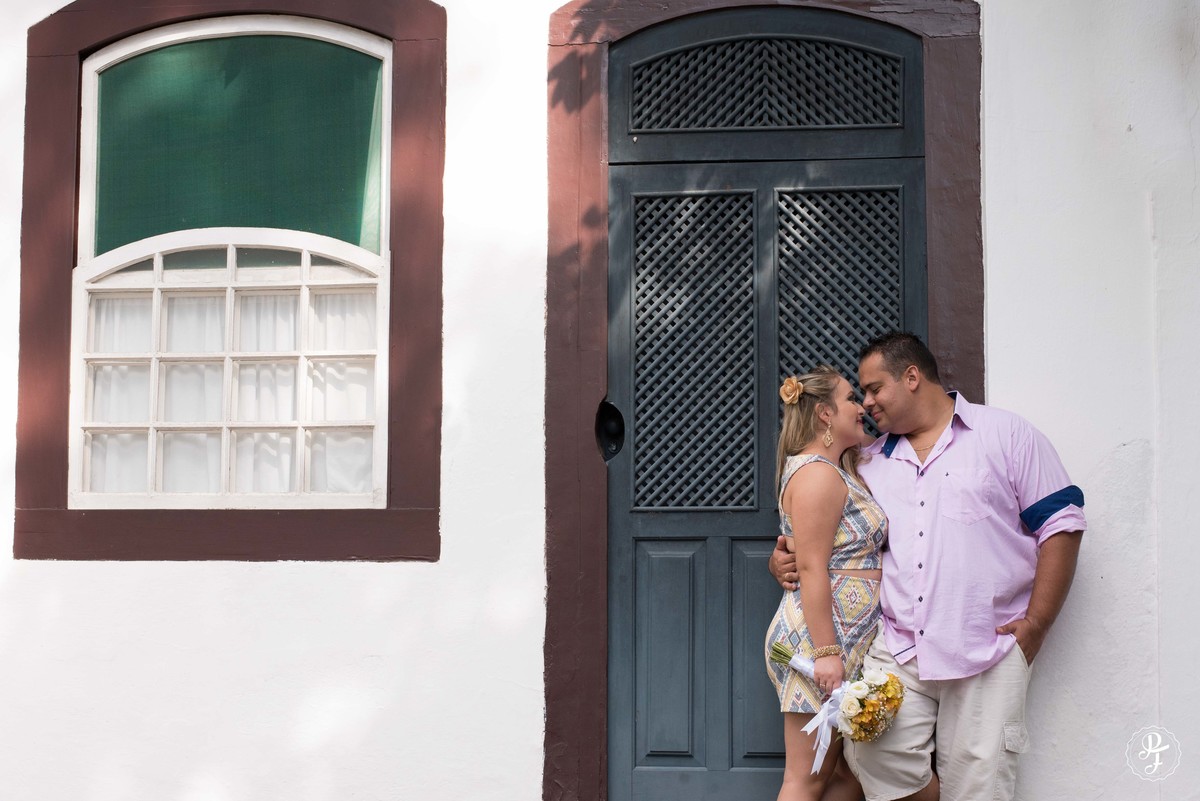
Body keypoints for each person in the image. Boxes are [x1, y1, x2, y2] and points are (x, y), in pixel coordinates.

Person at [769, 332, 1085, 801]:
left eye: (874, 389)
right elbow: (832, 537)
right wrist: (786, 557)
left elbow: (1062, 524)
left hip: (987, 648)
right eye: (860, 393)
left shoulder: (1005, 435)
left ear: (912, 377)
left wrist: (1036, 625)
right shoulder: (865, 463)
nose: (868, 402)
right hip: (896, 651)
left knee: (980, 782)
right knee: (873, 753)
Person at [764, 366, 888, 801]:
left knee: (839, 780)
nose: (862, 407)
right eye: (852, 399)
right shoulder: (817, 475)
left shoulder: (836, 468)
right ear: (824, 415)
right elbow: (814, 568)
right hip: (815, 645)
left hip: (837, 638)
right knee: (806, 778)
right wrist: (827, 653)